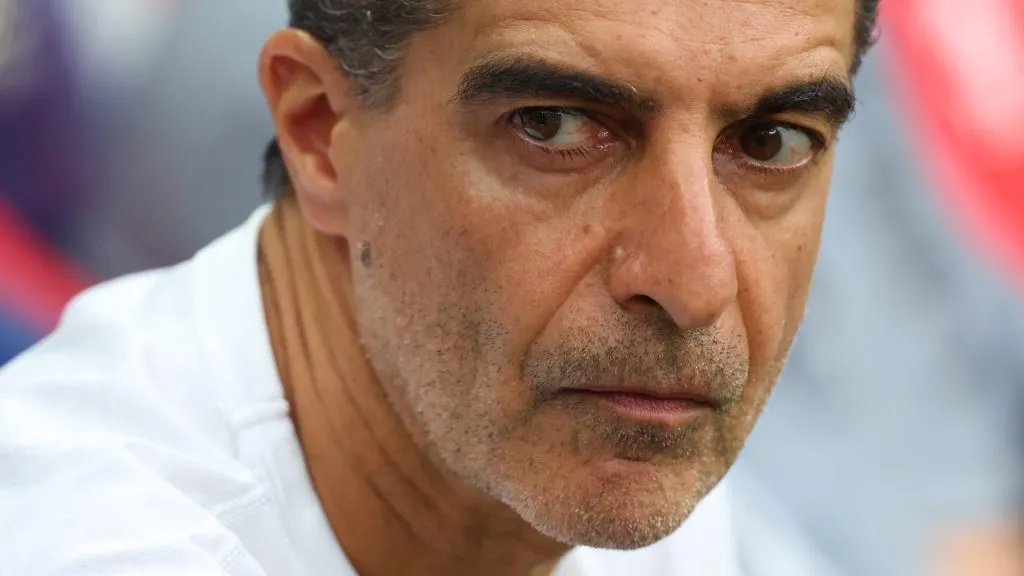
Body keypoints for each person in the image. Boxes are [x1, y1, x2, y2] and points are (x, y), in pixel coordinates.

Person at [0, 1, 880, 574]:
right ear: (319, 132)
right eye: (554, 126)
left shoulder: (610, 445)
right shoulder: (85, 538)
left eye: (771, 141)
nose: (695, 282)